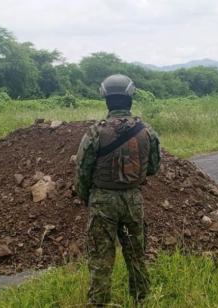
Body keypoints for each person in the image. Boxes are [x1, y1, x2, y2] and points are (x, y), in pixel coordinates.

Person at [75, 74, 161, 307]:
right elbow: (153, 168)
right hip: (133, 199)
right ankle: (141, 300)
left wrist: (87, 198)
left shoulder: (95, 132)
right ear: (130, 97)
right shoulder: (147, 131)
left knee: (101, 258)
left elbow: (82, 172)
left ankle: (99, 303)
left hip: (102, 201)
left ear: (106, 99)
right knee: (137, 254)